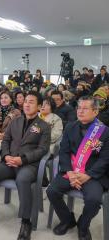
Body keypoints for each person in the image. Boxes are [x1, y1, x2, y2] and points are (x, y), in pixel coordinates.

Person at [0, 91, 51, 240]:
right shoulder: (16, 121)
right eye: (26, 101)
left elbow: (42, 150)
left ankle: (25, 221)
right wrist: (6, 155)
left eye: (32, 102)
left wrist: (22, 159)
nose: (27, 104)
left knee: (22, 180)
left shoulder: (44, 126)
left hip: (28, 165)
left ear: (40, 106)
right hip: (9, 162)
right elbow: (5, 140)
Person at [46, 96, 109, 240]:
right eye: (79, 108)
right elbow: (64, 152)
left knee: (93, 199)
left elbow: (105, 159)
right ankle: (68, 220)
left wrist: (88, 175)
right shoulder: (70, 126)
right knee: (51, 191)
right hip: (72, 170)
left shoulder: (104, 132)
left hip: (92, 175)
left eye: (85, 108)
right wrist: (69, 171)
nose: (80, 111)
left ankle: (83, 225)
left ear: (95, 111)